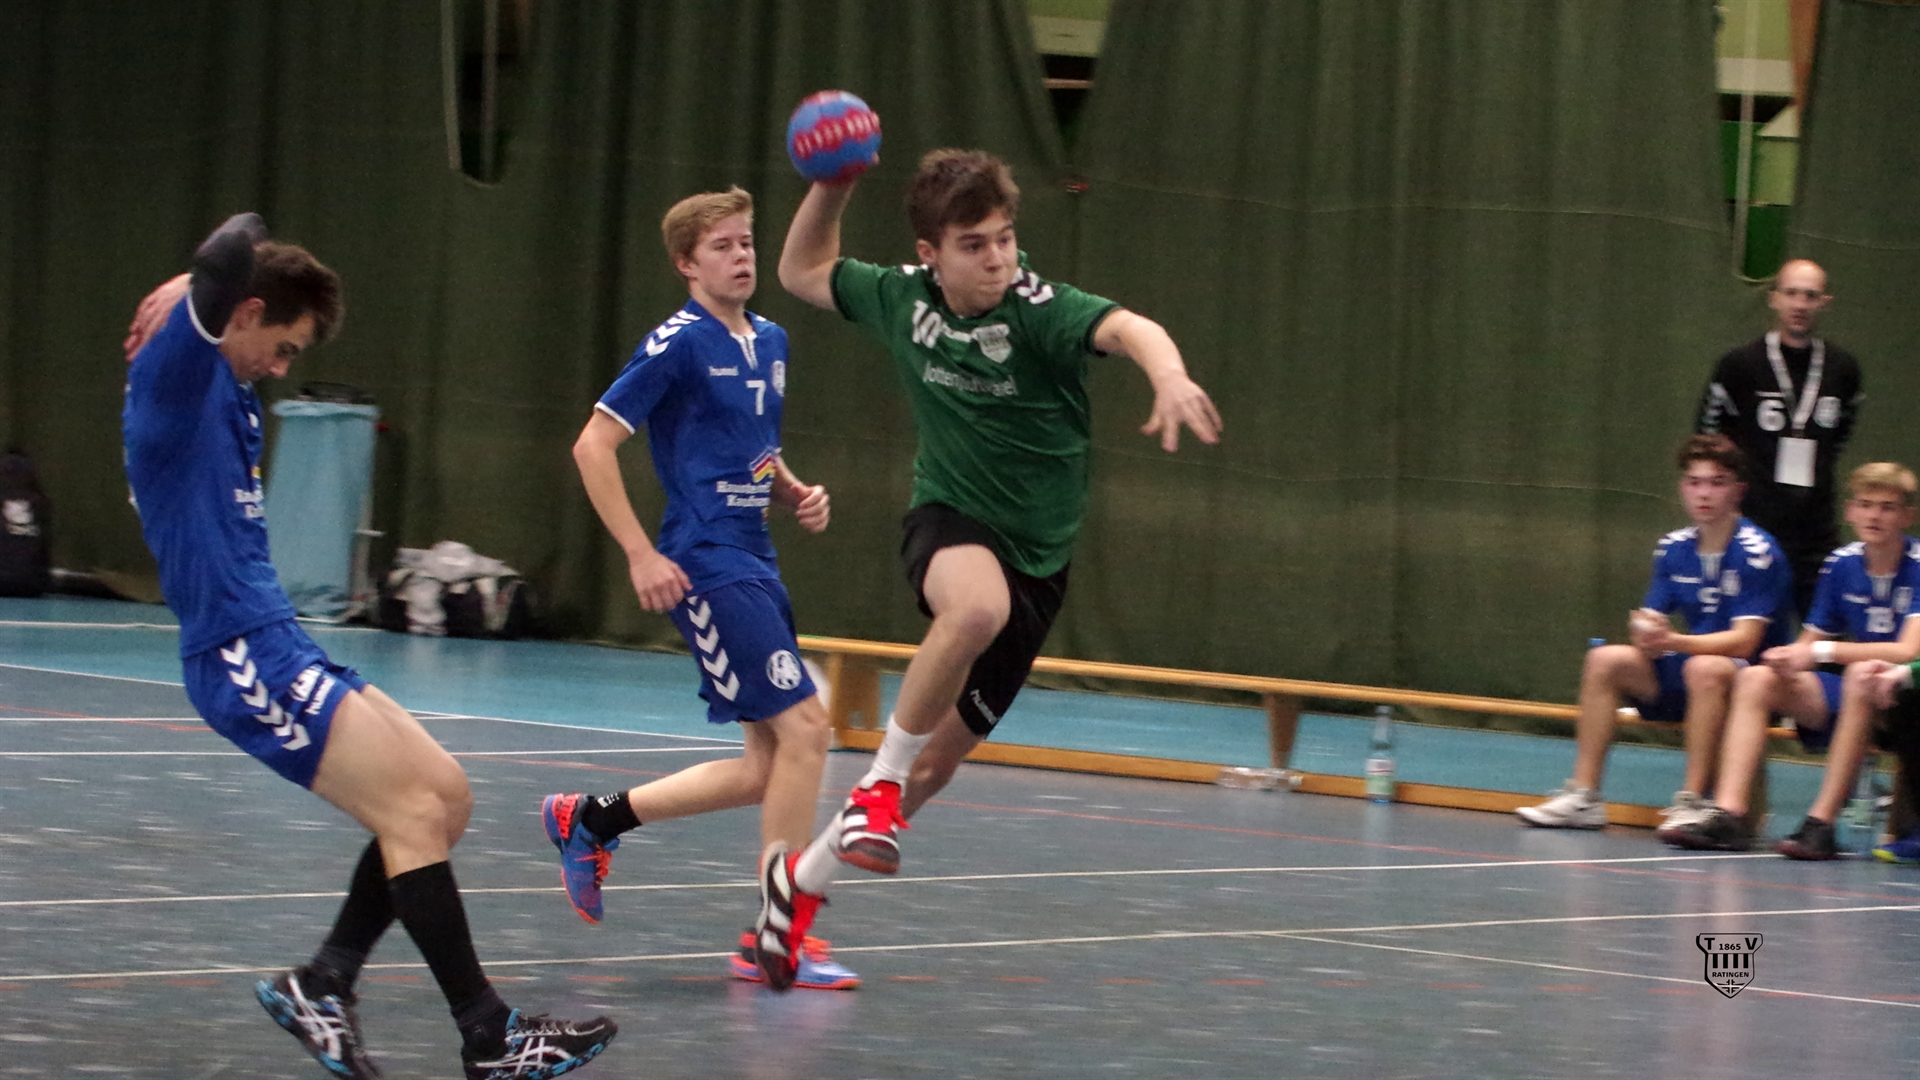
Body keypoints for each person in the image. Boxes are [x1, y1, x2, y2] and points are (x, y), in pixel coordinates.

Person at [120, 215, 615, 1079]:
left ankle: (324, 982)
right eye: (283, 347)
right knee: (411, 813)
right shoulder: (174, 380)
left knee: (447, 798)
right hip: (240, 656)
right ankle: (489, 1036)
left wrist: (203, 289)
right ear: (245, 312)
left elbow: (233, 266)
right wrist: (188, 288)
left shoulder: (227, 386)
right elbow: (231, 246)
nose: (283, 368)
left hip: (278, 638)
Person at [777, 148, 1221, 874]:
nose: (997, 259)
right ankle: (877, 785)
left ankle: (798, 892)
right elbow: (801, 271)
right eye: (973, 245)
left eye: (1005, 238)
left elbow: (1129, 328)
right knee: (976, 609)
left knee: (934, 770)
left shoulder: (1042, 312)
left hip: (1039, 561)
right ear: (931, 253)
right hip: (951, 518)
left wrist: (1168, 374)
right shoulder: (902, 297)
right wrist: (833, 185)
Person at [538, 188, 855, 992]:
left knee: (765, 767)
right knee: (808, 730)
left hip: (756, 555)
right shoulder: (676, 344)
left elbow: (754, 446)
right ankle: (776, 934)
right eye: (722, 246)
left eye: (747, 242)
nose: (742, 256)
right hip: (703, 560)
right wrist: (640, 554)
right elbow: (591, 446)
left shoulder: (772, 341)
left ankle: (592, 820)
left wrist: (792, 489)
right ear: (687, 263)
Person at [1517, 435, 1792, 831]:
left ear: (1738, 491)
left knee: (1704, 668)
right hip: (1694, 672)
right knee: (1605, 659)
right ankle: (1584, 796)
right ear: (1682, 488)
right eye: (1694, 482)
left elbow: (1745, 641)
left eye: (1717, 483)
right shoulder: (1672, 548)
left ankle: (1692, 801)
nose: (1704, 493)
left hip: (1749, 683)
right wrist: (1646, 632)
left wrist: (1674, 642)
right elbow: (1651, 616)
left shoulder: (1757, 551)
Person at [1663, 464, 1920, 855]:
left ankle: (1821, 823)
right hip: (1861, 691)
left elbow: (1907, 652)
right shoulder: (1841, 564)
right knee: (1758, 679)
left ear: (1907, 516)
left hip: (1907, 695)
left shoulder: (1917, 564)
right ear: (1850, 511)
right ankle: (1730, 813)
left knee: (1859, 674)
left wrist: (1821, 652)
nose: (1874, 516)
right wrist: (1787, 658)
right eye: (1866, 505)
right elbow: (1809, 643)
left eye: (1887, 507)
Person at [1697, 259, 1863, 619]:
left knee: (1825, 633)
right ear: (1774, 298)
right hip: (1753, 524)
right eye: (1791, 294)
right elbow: (1708, 439)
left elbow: (1839, 436)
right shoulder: (1739, 365)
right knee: (1746, 633)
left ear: (1825, 303)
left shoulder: (1843, 369)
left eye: (1810, 296)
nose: (1800, 304)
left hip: (1816, 530)